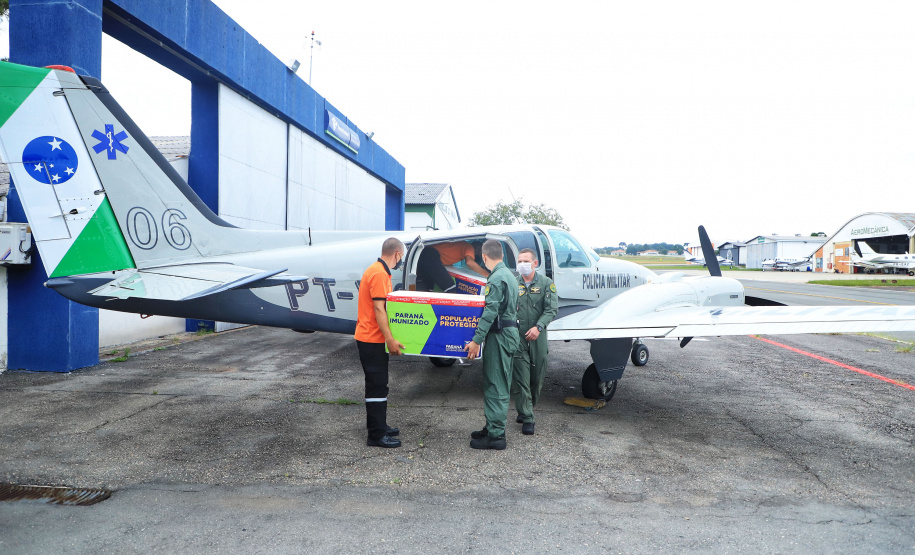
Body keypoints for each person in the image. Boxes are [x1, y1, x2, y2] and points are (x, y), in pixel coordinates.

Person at [463, 240, 520, 450]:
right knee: (495, 381)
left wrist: (476, 340)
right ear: (502, 256)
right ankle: (492, 426)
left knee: (496, 384)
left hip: (501, 335)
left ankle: (496, 436)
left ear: (485, 258)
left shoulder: (495, 278)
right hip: (507, 333)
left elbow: (490, 312)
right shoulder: (510, 276)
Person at [354, 237, 406, 448]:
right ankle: (376, 435)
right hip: (371, 338)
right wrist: (390, 339)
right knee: (376, 386)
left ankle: (380, 426)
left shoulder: (381, 271)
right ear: (398, 254)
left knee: (380, 385)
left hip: (373, 338)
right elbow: (379, 309)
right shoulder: (378, 273)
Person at [511, 248, 558, 435]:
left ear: (535, 263)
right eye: (519, 261)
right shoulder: (513, 283)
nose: (522, 264)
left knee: (537, 377)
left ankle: (527, 408)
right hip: (518, 336)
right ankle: (528, 417)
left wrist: (539, 327)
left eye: (525, 261)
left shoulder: (546, 283)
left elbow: (552, 309)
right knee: (521, 378)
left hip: (538, 335)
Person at [416, 241, 490, 292]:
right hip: (430, 255)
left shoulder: (460, 247)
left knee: (427, 289)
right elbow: (470, 262)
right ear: (479, 249)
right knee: (451, 289)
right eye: (480, 254)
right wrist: (488, 275)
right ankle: (445, 313)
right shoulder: (469, 247)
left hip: (422, 256)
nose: (478, 256)